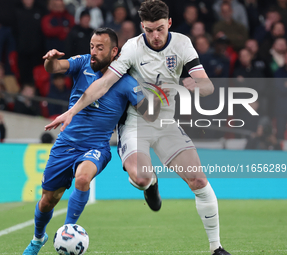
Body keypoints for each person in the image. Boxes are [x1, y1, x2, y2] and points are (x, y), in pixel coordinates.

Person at [47, 1, 232, 254]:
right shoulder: (132, 49)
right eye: (148, 30)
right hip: (136, 123)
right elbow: (103, 85)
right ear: (141, 27)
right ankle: (151, 184)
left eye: (159, 29)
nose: (155, 36)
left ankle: (216, 247)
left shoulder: (182, 44)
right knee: (142, 177)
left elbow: (208, 86)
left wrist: (196, 86)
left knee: (198, 180)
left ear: (169, 23)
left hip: (166, 123)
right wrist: (71, 112)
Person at [22, 28, 167, 255]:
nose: (94, 52)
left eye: (100, 48)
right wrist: (51, 60)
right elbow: (55, 68)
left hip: (96, 147)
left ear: (114, 51)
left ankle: (68, 230)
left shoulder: (128, 84)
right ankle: (38, 238)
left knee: (82, 178)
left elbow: (151, 113)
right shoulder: (82, 63)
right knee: (47, 201)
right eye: (92, 46)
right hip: (65, 144)